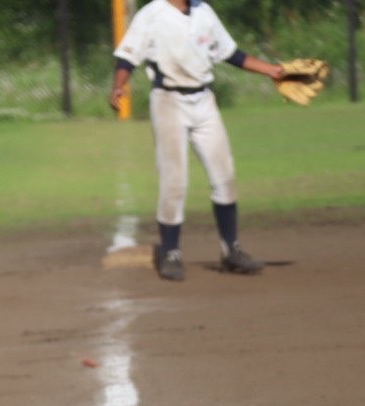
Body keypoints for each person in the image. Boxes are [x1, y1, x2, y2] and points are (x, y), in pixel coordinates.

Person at [109, 0, 285, 283]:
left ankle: (231, 250)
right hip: (168, 101)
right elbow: (127, 57)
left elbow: (232, 54)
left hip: (204, 100)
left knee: (224, 176)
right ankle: (170, 252)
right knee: (175, 180)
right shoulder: (153, 13)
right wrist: (119, 85)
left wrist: (273, 71)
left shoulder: (204, 12)